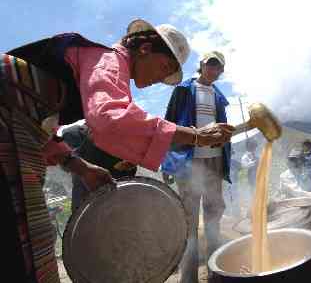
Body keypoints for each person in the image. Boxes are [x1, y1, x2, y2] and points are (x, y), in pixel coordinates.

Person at [1, 20, 233, 282]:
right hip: (7, 125)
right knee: (27, 242)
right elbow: (109, 118)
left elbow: (42, 132)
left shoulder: (87, 75)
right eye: (164, 68)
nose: (160, 79)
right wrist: (195, 135)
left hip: (19, 130)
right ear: (145, 48)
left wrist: (81, 167)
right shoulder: (107, 59)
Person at [161, 51, 231, 283]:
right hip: (189, 163)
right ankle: (188, 278)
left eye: (218, 67)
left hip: (214, 161)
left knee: (214, 216)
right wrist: (168, 162)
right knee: (189, 221)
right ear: (201, 65)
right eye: (210, 65)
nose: (213, 70)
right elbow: (169, 125)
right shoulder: (183, 90)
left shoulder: (219, 97)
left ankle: (215, 272)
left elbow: (221, 130)